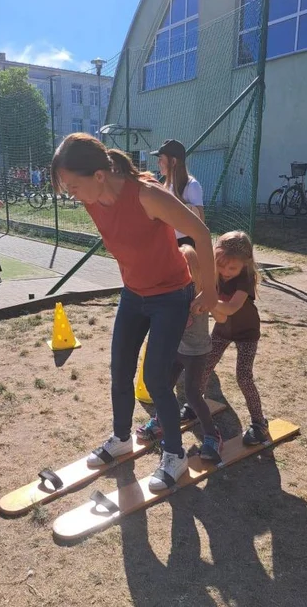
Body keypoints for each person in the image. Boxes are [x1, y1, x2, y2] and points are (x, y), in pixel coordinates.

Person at [51, 133, 217, 491]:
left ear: (98, 175)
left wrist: (212, 290)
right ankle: (121, 437)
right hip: (134, 294)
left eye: (73, 186)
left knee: (157, 378)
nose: (71, 194)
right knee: (120, 370)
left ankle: (174, 456)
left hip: (172, 294)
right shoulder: (92, 198)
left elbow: (201, 234)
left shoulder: (146, 194)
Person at [182, 231, 272, 448]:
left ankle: (260, 424)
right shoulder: (214, 273)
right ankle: (195, 405)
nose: (225, 272)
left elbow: (230, 308)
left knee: (243, 377)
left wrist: (208, 300)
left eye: (232, 268)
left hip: (247, 333)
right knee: (204, 367)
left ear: (245, 263)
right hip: (223, 329)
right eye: (221, 266)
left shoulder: (245, 278)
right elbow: (221, 316)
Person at [136, 244, 225, 460]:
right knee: (163, 388)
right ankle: (160, 422)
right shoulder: (172, 293)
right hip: (177, 349)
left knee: (193, 394)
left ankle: (213, 436)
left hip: (196, 352)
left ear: (192, 271)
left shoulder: (201, 295)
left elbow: (214, 316)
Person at [151, 139, 205, 247]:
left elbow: (201, 221)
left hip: (186, 245)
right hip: (167, 243)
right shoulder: (165, 186)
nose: (158, 163)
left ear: (173, 162)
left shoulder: (192, 185)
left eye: (161, 159)